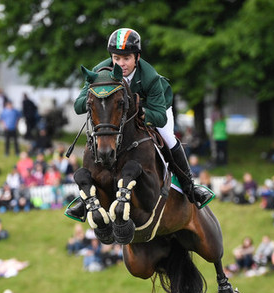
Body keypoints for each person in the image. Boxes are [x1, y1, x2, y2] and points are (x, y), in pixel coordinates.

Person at [68, 27, 212, 221]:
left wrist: (140, 111)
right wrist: (91, 97)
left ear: (137, 57)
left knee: (168, 138)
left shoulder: (149, 77)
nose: (121, 63)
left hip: (154, 109)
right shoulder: (99, 73)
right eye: (116, 58)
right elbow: (78, 106)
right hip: (119, 117)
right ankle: (86, 197)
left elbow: (160, 116)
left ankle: (190, 187)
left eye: (126, 58)